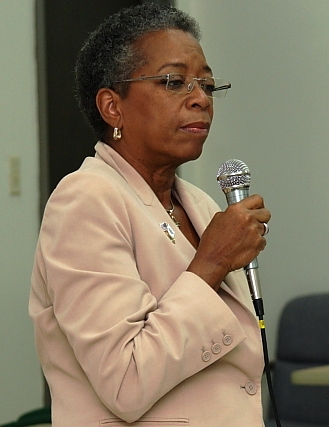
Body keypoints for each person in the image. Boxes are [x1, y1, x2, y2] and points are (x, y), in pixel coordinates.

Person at [29, 3, 271, 427]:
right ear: (112, 107)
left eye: (208, 86)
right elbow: (126, 380)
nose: (200, 99)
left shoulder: (199, 204)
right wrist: (211, 263)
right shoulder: (86, 200)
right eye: (174, 82)